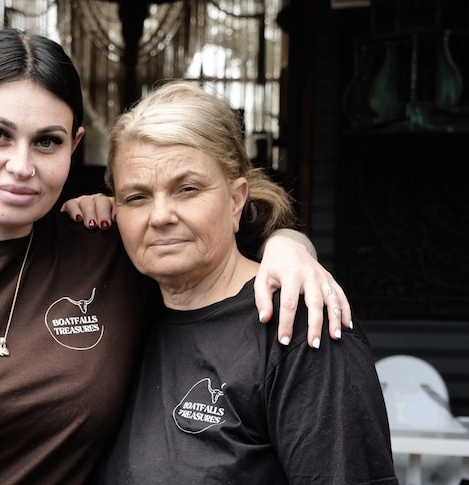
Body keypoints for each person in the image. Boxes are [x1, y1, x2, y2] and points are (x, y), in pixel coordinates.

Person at [0, 30, 353, 484]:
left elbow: (212, 248)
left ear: (74, 147)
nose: (22, 165)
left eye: (46, 141)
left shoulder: (107, 246)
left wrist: (290, 246)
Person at [93, 80, 396, 484]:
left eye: (187, 189)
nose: (160, 215)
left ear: (236, 199)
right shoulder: (127, 306)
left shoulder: (300, 326)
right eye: (136, 197)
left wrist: (292, 243)